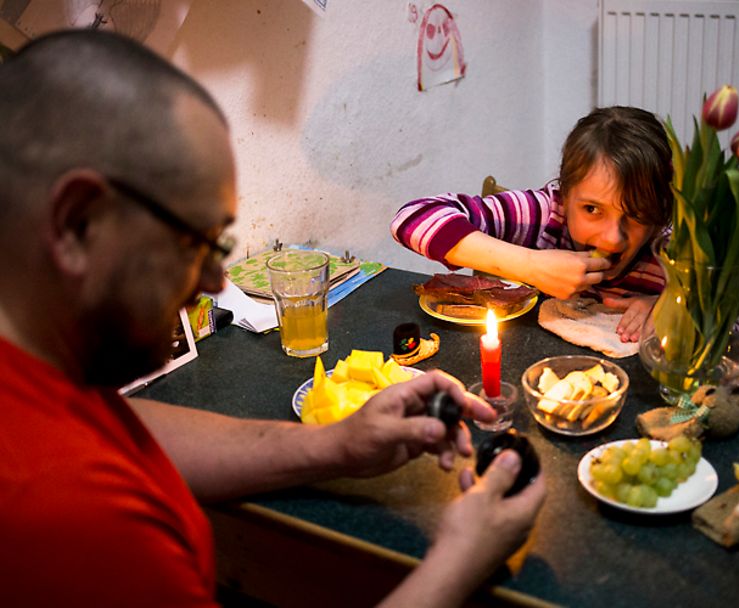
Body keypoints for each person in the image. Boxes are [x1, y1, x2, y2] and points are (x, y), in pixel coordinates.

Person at [0, 29, 545, 607]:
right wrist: (461, 560)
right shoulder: (70, 516)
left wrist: (338, 446)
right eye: (196, 243)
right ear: (79, 221)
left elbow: (122, 430)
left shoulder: (36, 377)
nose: (215, 283)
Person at [390, 106, 674, 342]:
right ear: (565, 193)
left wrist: (672, 307)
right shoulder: (546, 215)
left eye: (636, 214)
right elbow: (413, 218)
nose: (613, 238)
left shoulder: (676, 252)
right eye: (591, 209)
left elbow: (715, 316)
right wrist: (531, 265)